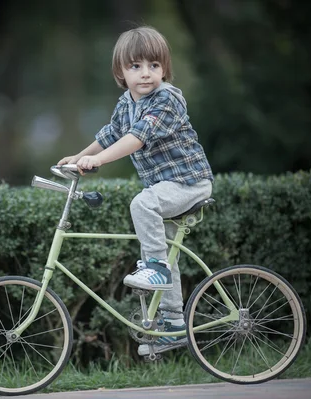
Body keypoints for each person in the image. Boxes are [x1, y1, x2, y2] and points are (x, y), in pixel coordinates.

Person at [58, 26, 213, 355]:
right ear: (121, 72)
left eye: (154, 66)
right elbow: (112, 133)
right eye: (136, 66)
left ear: (164, 69)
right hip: (166, 187)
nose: (146, 74)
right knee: (161, 247)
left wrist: (96, 160)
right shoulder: (126, 102)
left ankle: (156, 272)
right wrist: (79, 156)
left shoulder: (168, 98)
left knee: (142, 206)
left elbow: (137, 138)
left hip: (189, 183)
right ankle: (173, 325)